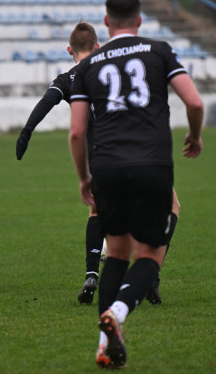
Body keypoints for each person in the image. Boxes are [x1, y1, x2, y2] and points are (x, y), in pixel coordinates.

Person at [69, 0, 204, 369]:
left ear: (107, 22)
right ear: (140, 20)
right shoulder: (158, 51)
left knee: (117, 252)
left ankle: (102, 344)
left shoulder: (89, 65)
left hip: (107, 168)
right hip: (151, 165)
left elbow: (77, 133)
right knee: (150, 254)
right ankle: (119, 315)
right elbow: (194, 101)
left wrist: (84, 179)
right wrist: (194, 135)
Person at [17, 22, 181, 306]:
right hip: (135, 149)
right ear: (97, 46)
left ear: (69, 50)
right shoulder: (109, 68)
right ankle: (150, 275)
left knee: (97, 209)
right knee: (170, 206)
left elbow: (47, 102)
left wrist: (26, 132)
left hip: (98, 156)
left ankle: (92, 274)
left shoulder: (68, 78)